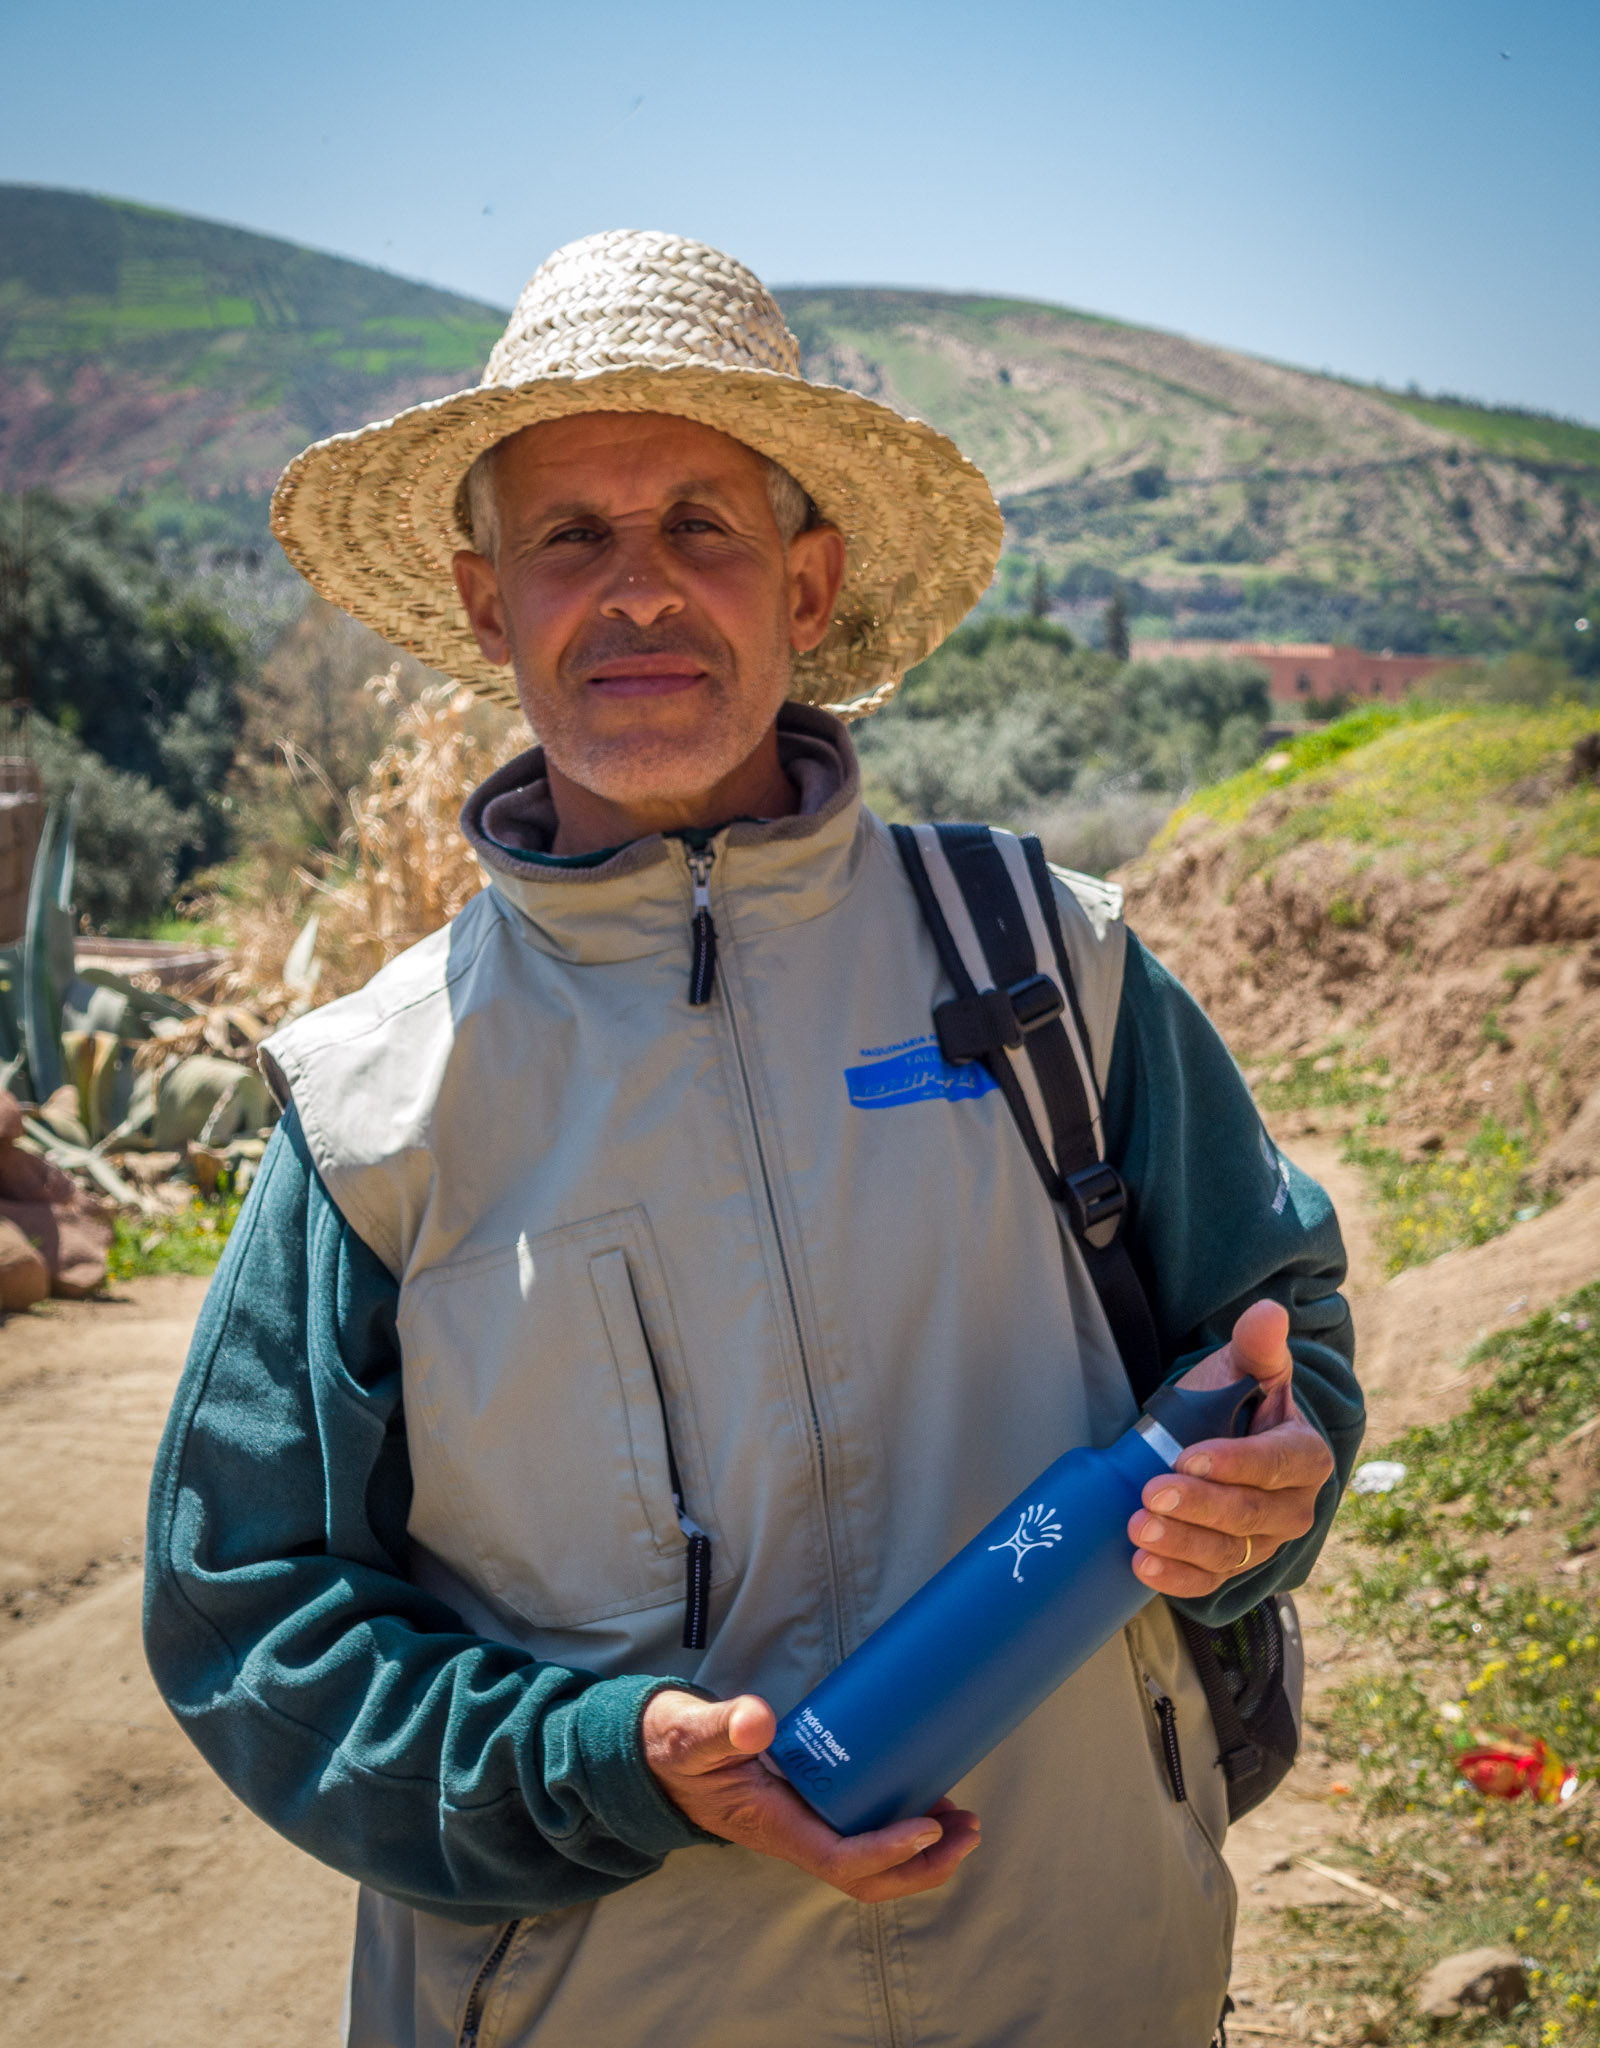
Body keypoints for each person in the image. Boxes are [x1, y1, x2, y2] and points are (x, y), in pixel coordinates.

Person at [145, 230, 1363, 2048]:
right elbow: (249, 1619)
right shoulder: (375, 1103)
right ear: (492, 608)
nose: (638, 591)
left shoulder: (1049, 965)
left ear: (808, 582)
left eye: (702, 524)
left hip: (1085, 1974)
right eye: (571, 536)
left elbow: (1277, 1345)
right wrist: (596, 1762)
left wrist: (1273, 1480)